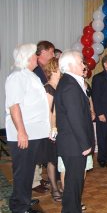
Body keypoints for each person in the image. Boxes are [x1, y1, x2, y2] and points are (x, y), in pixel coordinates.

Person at [5, 43, 50, 213]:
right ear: (27, 57)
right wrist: (21, 132)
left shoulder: (29, 75)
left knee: (28, 170)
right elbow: (14, 106)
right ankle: (19, 206)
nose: (36, 57)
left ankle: (23, 198)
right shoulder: (17, 77)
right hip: (25, 133)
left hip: (35, 132)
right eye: (34, 54)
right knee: (22, 171)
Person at [55, 50, 94, 213]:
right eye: (80, 62)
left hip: (72, 142)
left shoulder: (69, 82)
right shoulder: (70, 84)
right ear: (70, 65)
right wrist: (85, 144)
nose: (84, 64)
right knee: (74, 183)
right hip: (74, 144)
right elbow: (75, 117)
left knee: (73, 182)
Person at [32, 40, 55, 193]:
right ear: (44, 52)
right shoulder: (35, 70)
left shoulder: (44, 68)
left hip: (45, 114)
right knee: (35, 149)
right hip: (37, 115)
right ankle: (34, 182)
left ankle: (39, 178)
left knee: (41, 149)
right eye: (52, 52)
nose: (53, 55)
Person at [42, 57, 63, 202]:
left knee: (58, 158)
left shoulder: (60, 86)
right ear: (54, 69)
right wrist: (52, 129)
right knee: (52, 159)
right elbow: (48, 111)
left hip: (61, 127)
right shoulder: (48, 87)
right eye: (59, 67)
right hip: (52, 129)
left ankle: (59, 184)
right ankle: (54, 188)